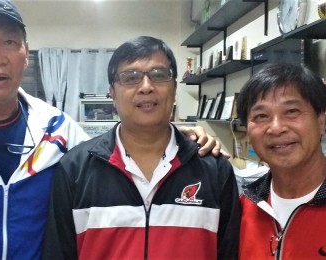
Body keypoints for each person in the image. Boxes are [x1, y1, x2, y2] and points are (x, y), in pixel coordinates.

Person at [0, 1, 224, 259]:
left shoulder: (56, 129)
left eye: (9, 42)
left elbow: (122, 150)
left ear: (24, 52)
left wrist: (183, 140)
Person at [42, 36, 240, 260]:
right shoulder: (75, 169)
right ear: (112, 94)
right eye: (130, 77)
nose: (146, 87)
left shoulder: (214, 169)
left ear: (174, 89)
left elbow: (229, 252)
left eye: (159, 75)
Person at [236, 62, 326, 259]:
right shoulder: (241, 209)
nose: (276, 128)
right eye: (261, 116)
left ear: (321, 121)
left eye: (292, 112)